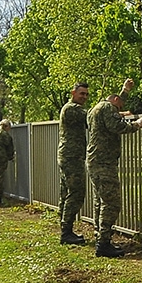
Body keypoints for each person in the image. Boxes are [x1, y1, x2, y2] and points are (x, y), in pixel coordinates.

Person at [86, 79, 142, 258]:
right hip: (103, 163)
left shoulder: (95, 110)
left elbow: (113, 114)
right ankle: (103, 243)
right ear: (113, 101)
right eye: (119, 107)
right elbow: (117, 126)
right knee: (112, 202)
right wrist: (138, 124)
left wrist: (125, 91)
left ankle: (100, 237)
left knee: (100, 201)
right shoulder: (107, 108)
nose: (120, 110)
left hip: (94, 160)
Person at [57, 84, 90, 245]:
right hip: (71, 157)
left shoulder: (73, 109)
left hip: (69, 156)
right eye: (81, 94)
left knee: (66, 193)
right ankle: (66, 232)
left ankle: (65, 229)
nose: (84, 97)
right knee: (76, 193)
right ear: (73, 93)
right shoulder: (72, 109)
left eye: (86, 95)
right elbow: (94, 117)